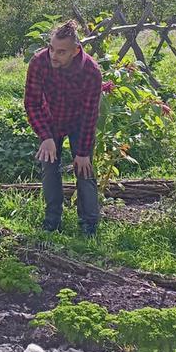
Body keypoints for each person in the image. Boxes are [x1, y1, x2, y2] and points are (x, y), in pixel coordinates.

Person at [24, 19, 102, 236]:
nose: (53, 55)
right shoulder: (39, 62)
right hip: (51, 119)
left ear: (76, 50)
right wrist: (45, 137)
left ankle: (89, 224)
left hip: (79, 121)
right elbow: (32, 102)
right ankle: (52, 221)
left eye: (61, 52)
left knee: (84, 169)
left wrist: (83, 152)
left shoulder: (91, 71)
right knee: (48, 167)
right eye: (51, 48)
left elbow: (90, 114)